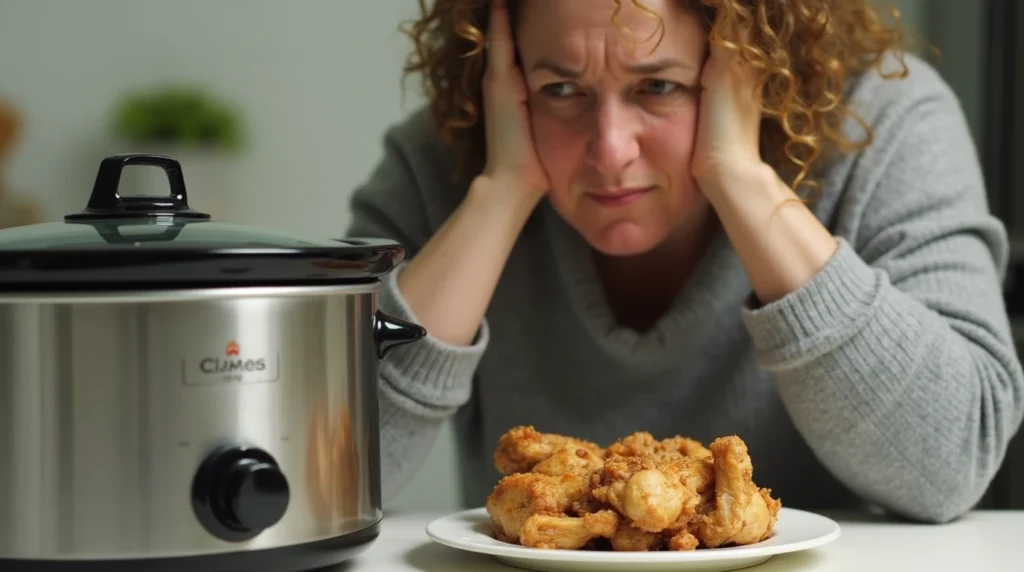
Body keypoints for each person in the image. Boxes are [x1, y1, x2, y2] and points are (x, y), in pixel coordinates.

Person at [345, 0, 1024, 524]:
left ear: (748, 57)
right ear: (507, 72)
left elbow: (951, 463)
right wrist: (498, 198)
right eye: (560, 90)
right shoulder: (452, 159)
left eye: (659, 86)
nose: (609, 150)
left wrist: (743, 180)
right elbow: (324, 476)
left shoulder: (883, 127)